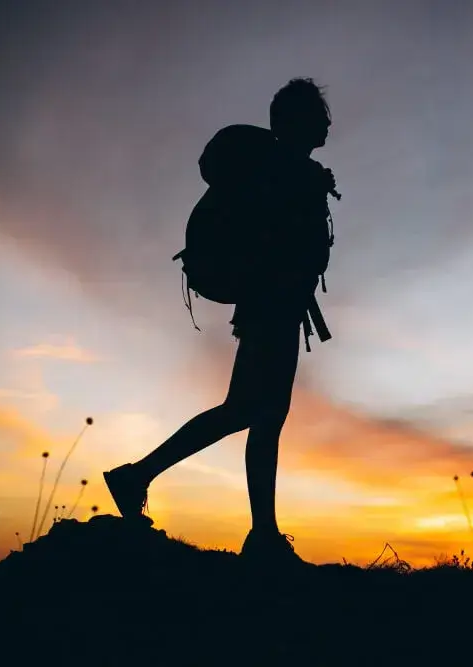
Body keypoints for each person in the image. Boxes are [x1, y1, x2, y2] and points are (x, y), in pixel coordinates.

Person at [103, 78, 336, 567]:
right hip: (272, 306)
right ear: (298, 120)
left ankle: (262, 534)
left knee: (262, 418)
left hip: (277, 306)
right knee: (247, 412)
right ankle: (137, 476)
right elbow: (284, 245)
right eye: (318, 114)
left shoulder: (288, 171)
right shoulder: (286, 173)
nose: (327, 123)